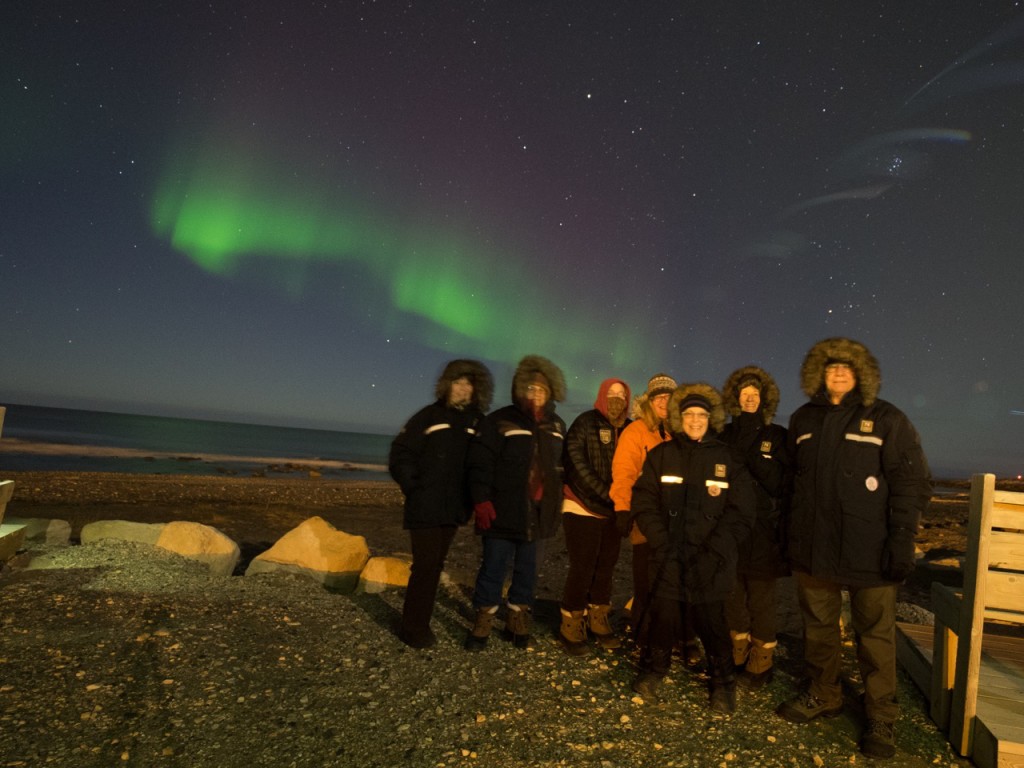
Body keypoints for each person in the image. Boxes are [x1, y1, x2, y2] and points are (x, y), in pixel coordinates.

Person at [775, 338, 931, 760]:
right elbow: (791, 484)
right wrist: (788, 537)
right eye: (831, 367)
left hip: (871, 550)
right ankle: (824, 692)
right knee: (820, 629)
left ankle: (881, 714)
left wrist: (902, 540)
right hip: (814, 550)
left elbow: (912, 483)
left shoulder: (886, 418)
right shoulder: (804, 419)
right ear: (818, 374)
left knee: (875, 636)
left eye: (847, 367)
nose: (839, 373)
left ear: (861, 374)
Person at [630, 383, 756, 713]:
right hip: (668, 554)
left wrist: (715, 551)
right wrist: (660, 541)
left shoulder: (727, 458)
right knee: (664, 615)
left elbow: (742, 510)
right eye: (689, 414)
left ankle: (723, 683)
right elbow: (643, 500)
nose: (695, 420)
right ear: (679, 418)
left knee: (711, 620)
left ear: (710, 418)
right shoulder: (662, 455)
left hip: (711, 560)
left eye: (701, 415)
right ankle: (653, 670)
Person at [464, 355, 567, 651]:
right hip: (502, 510)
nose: (536, 394)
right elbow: (479, 464)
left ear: (551, 392)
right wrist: (481, 501)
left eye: (542, 389)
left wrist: (559, 501)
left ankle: (517, 617)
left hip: (539, 513)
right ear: (520, 389)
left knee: (528, 569)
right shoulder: (500, 420)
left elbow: (563, 467)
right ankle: (484, 617)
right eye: (531, 388)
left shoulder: (557, 424)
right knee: (494, 566)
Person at [389, 359, 493, 649]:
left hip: (455, 507)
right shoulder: (429, 416)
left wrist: (477, 499)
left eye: (468, 384)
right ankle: (413, 627)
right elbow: (401, 453)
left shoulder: (478, 422)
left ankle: (418, 620)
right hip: (424, 504)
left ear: (477, 390)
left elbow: (483, 464)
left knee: (435, 564)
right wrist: (413, 486)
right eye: (457, 382)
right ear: (447, 385)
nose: (462, 389)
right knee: (425, 565)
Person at [720, 366, 790, 688]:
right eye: (744, 394)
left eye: (755, 395)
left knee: (761, 596)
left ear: (764, 400)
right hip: (731, 526)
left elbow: (779, 483)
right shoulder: (724, 435)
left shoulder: (776, 436)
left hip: (764, 530)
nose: (749, 399)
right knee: (733, 592)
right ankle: (736, 650)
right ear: (736, 399)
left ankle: (761, 660)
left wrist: (753, 455)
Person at [558, 378, 632, 655]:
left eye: (621, 394)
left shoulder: (629, 428)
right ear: (602, 394)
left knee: (606, 566)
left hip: (613, 509)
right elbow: (576, 462)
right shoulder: (585, 422)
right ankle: (571, 621)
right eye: (611, 393)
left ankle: (598, 617)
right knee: (583, 565)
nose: (616, 398)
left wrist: (623, 499)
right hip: (582, 504)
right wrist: (608, 493)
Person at [609, 373, 676, 643]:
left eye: (668, 398)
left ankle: (667, 636)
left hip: (674, 520)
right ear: (648, 401)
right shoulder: (635, 431)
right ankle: (642, 635)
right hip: (645, 520)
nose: (663, 402)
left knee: (670, 581)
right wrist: (623, 509)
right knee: (645, 581)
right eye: (658, 397)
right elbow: (624, 472)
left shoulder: (678, 432)